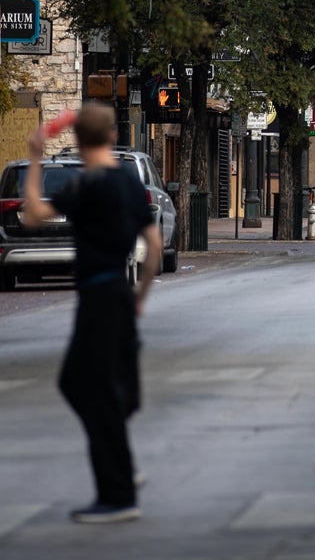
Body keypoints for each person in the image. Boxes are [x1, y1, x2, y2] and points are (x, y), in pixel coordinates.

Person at [24, 104, 161, 524]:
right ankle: (120, 464)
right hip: (120, 291)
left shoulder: (86, 184)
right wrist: (140, 295)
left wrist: (35, 158)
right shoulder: (127, 180)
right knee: (97, 388)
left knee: (88, 388)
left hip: (97, 296)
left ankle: (117, 494)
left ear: (80, 141)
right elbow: (153, 246)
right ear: (110, 134)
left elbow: (32, 215)